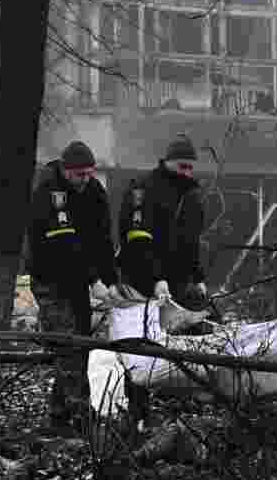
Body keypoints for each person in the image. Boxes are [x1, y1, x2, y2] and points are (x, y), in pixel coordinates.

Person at [27, 140, 119, 432]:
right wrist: (94, 280)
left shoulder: (94, 192)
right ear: (66, 171)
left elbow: (102, 239)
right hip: (51, 280)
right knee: (68, 345)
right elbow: (64, 246)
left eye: (90, 173)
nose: (86, 180)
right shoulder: (49, 194)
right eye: (79, 175)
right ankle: (83, 417)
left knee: (78, 346)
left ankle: (58, 415)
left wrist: (111, 280)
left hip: (79, 281)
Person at [117, 134, 208, 308]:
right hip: (141, 282)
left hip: (178, 284)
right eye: (182, 166)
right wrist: (155, 279)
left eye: (190, 167)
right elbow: (138, 241)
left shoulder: (191, 197)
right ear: (168, 162)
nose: (187, 172)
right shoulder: (143, 189)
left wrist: (198, 278)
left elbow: (191, 242)